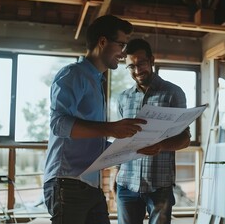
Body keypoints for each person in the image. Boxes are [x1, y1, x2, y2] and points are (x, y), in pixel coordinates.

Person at [43, 15, 147, 224]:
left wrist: (136, 148)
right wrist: (111, 128)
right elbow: (59, 124)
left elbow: (94, 142)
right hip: (68, 182)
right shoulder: (73, 74)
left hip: (91, 186)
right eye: (121, 44)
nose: (123, 52)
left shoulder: (96, 81)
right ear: (102, 42)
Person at [115, 38, 192, 224]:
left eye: (141, 63)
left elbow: (185, 139)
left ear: (152, 60)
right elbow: (121, 140)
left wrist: (161, 145)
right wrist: (116, 173)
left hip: (160, 185)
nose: (137, 70)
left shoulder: (173, 93)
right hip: (126, 183)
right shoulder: (123, 98)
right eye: (131, 66)